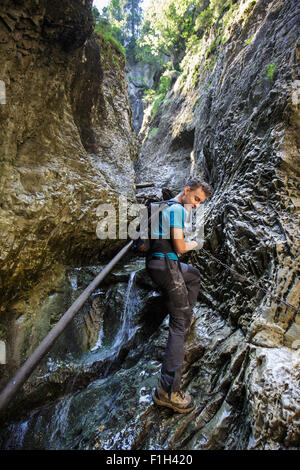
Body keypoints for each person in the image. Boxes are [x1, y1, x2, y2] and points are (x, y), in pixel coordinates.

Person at [146, 177, 213, 413]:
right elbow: (181, 247)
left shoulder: (162, 206)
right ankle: (168, 391)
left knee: (193, 274)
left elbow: (145, 245)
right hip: (167, 266)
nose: (196, 205)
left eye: (200, 202)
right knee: (178, 324)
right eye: (195, 199)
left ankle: (187, 314)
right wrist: (196, 243)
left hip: (155, 264)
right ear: (186, 191)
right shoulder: (176, 209)